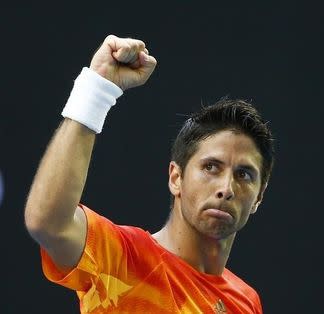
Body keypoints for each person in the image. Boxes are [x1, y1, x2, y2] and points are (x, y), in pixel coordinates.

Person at [24, 34, 275, 314]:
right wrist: (96, 88)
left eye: (244, 175)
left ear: (258, 197)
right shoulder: (123, 259)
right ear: (176, 178)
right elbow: (48, 223)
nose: (226, 188)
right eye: (211, 167)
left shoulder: (247, 302)